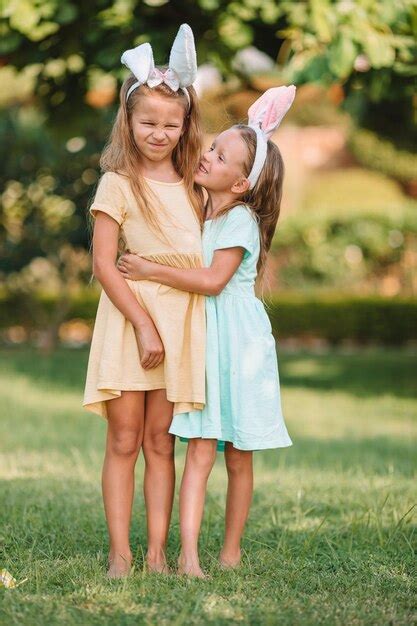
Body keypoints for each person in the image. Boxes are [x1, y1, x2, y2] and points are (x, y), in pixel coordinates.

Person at [118, 86, 295, 577]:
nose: (208, 155)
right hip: (204, 343)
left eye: (220, 156)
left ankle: (231, 551)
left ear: (240, 185)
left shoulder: (240, 221)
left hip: (238, 347)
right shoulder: (201, 213)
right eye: (213, 147)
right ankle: (188, 555)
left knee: (238, 454)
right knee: (198, 447)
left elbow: (214, 282)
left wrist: (152, 271)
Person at [83, 24, 206, 578]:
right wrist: (142, 325)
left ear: (185, 127)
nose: (159, 133)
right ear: (128, 123)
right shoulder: (116, 183)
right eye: (148, 122)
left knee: (162, 442)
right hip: (130, 322)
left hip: (180, 324)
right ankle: (121, 554)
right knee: (125, 438)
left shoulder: (194, 187)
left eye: (170, 125)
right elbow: (104, 264)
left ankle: (157, 554)